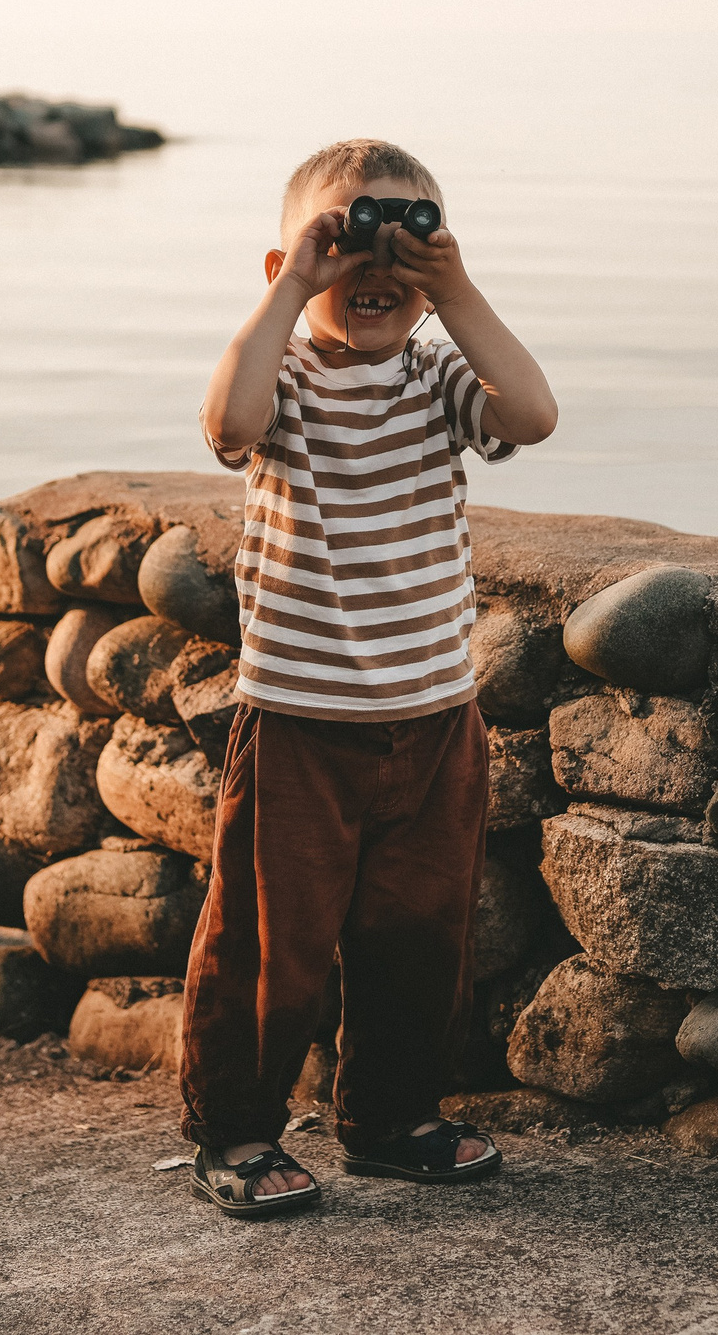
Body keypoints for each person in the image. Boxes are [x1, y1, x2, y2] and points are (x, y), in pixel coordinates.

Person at [181, 137, 559, 1217]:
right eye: (348, 239)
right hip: (300, 720)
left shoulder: (440, 377)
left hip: (435, 715)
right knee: (270, 943)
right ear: (289, 263)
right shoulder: (286, 377)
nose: (376, 263)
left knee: (419, 937)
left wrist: (459, 289)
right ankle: (236, 1129)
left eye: (406, 239)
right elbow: (227, 424)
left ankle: (391, 1118)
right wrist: (295, 284)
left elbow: (531, 416)